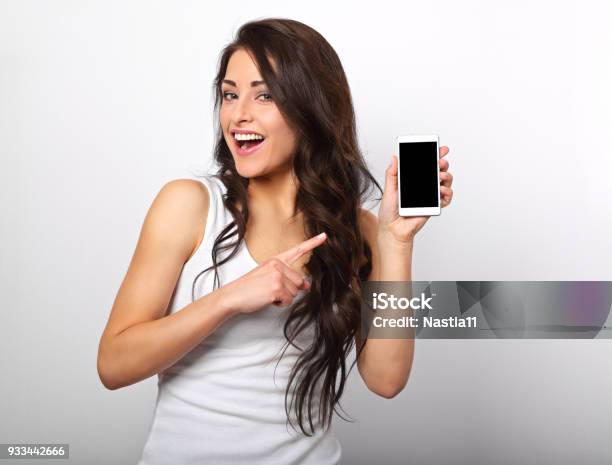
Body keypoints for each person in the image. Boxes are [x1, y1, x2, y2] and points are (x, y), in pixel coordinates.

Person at [97, 17, 454, 465]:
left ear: (311, 109)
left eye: (264, 95)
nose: (238, 114)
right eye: (230, 94)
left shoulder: (357, 230)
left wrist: (396, 243)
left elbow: (386, 379)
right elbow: (113, 364)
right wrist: (230, 298)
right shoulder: (188, 205)